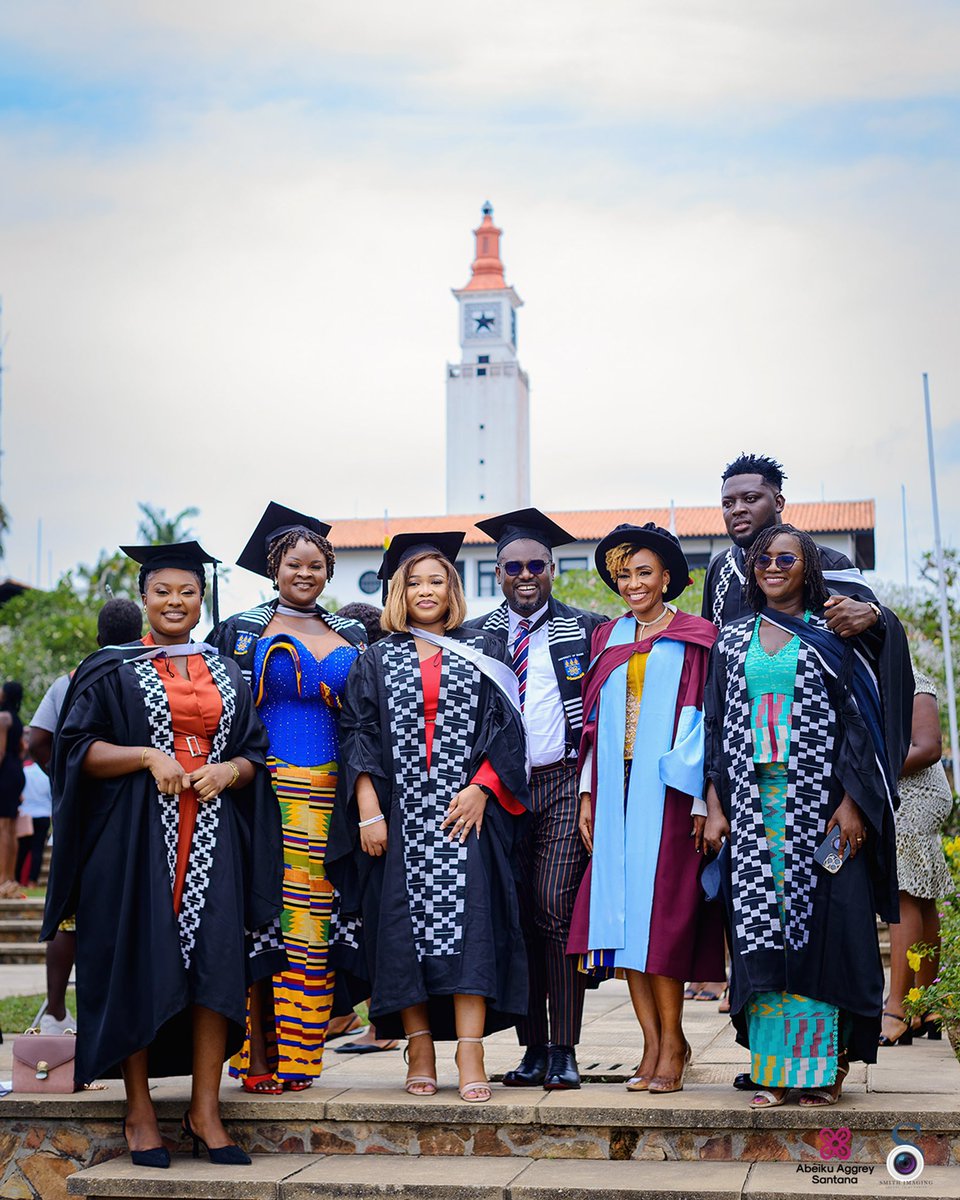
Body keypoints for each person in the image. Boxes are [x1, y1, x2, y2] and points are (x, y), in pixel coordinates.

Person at [41, 542, 285, 1167]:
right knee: (138, 963)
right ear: (144, 598)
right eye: (162, 592)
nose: (175, 602)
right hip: (134, 842)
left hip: (213, 839)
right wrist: (148, 756)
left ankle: (206, 1111)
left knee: (214, 966)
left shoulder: (226, 670)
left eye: (188, 592)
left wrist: (230, 769)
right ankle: (140, 1111)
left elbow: (254, 752)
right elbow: (77, 749)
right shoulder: (111, 669)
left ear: (202, 600)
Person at [703, 525, 910, 1109]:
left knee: (824, 934)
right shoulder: (731, 639)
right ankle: (773, 1070)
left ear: (808, 567)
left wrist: (853, 802)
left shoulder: (833, 636)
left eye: (786, 558)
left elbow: (862, 724)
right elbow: (715, 725)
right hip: (751, 808)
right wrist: (714, 804)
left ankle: (823, 1068)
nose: (772, 567)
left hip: (819, 808)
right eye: (763, 559)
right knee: (761, 935)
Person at [328, 532, 530, 1103]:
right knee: (403, 933)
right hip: (401, 818)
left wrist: (484, 788)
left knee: (472, 929)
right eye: (413, 582)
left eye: (436, 581)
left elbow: (507, 727)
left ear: (452, 589)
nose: (424, 590)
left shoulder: (483, 648)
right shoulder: (377, 657)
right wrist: (368, 809)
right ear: (398, 591)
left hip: (465, 817)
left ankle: (470, 1052)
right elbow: (359, 733)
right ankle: (418, 1048)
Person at [209, 502, 367, 1093]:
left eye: (316, 565)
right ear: (274, 567)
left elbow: (368, 715)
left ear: (328, 572)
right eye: (293, 564)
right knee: (264, 917)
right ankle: (256, 1055)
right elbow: (223, 709)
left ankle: (300, 1059)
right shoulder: (241, 631)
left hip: (331, 796)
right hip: (264, 792)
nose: (305, 573)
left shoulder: (353, 633)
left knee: (313, 925)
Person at [567, 523, 723, 1094]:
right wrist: (587, 793)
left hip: (670, 796)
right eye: (624, 574)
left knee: (663, 920)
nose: (633, 583)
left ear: (666, 578)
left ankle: (674, 1043)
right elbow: (591, 725)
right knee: (624, 920)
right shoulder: (607, 637)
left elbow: (704, 722)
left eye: (644, 573)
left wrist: (702, 798)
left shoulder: (697, 637)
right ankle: (651, 1045)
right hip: (615, 793)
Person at [466, 507, 608, 1090]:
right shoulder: (475, 637)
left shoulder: (588, 628)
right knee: (517, 915)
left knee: (554, 909)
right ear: (498, 572)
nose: (525, 575)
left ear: (552, 568)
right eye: (512, 567)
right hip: (500, 791)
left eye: (536, 565)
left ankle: (564, 1048)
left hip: (562, 781)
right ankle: (531, 1051)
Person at [28, 597, 144, 1037]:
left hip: (78, 813)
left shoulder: (73, 678)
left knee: (68, 912)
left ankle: (56, 1011)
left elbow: (36, 739)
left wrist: (65, 774)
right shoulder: (147, 675)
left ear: (97, 638)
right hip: (131, 809)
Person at [703, 452, 883, 635]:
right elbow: (708, 641)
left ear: (778, 503)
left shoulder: (828, 563)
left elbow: (878, 629)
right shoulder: (721, 568)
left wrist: (873, 615)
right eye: (728, 504)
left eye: (750, 499)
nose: (737, 510)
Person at [881, 669, 954, 1046]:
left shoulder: (910, 677)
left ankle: (897, 1010)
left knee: (904, 892)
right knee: (922, 897)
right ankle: (927, 1005)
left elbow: (928, 748)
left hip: (917, 792)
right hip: (904, 791)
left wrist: (872, 771)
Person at [0, 682, 26, 898]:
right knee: (10, 827)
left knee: (2, 827)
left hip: (4, 772)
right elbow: (22, 748)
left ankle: (2, 880)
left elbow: (0, 752)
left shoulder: (3, 718)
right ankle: (9, 879)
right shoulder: (16, 719)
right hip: (16, 771)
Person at [16, 732, 52, 885]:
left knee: (22, 851)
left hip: (27, 815)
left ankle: (17, 878)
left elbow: (19, 793)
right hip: (43, 814)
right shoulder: (46, 775)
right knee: (38, 850)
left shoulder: (25, 772)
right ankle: (32, 881)